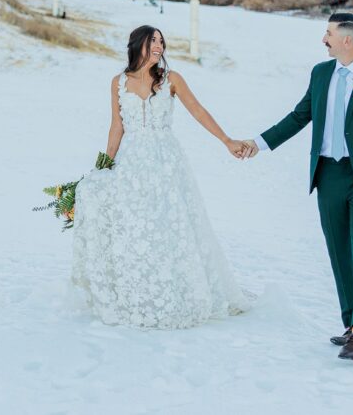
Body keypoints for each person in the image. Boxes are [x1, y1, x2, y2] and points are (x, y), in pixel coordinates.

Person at [239, 13, 353, 361]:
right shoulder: (320, 73)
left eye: (328, 34)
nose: (323, 40)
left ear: (347, 40)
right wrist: (259, 143)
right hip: (328, 176)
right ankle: (350, 324)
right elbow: (300, 116)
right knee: (338, 251)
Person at [71, 25, 250, 329]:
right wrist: (103, 168)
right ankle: (138, 290)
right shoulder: (118, 83)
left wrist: (227, 140)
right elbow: (117, 127)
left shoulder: (172, 80)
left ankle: (179, 290)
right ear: (137, 44)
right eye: (153, 41)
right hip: (132, 164)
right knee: (136, 228)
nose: (159, 46)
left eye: (161, 42)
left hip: (166, 162)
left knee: (170, 224)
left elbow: (199, 112)